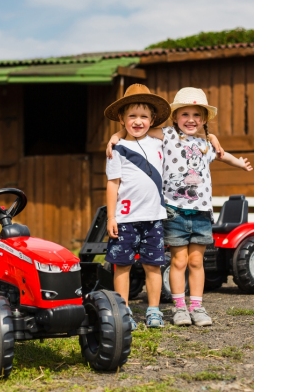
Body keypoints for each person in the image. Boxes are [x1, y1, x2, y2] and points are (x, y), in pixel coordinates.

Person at [106, 87, 253, 327]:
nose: (191, 119)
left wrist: (238, 162)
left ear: (204, 119)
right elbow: (138, 129)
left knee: (197, 262)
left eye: (197, 115)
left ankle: (197, 305)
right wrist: (116, 135)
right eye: (185, 114)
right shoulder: (167, 136)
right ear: (175, 117)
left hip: (201, 211)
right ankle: (179, 307)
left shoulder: (206, 144)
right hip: (174, 209)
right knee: (178, 261)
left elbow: (221, 154)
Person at [103, 83, 172, 330]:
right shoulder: (117, 150)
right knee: (122, 265)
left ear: (152, 119)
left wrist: (213, 137)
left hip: (153, 216)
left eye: (144, 116)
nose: (138, 121)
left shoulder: (159, 142)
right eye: (132, 116)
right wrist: (111, 217)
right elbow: (113, 184)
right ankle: (123, 312)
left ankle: (154, 310)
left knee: (154, 265)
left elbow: (187, 136)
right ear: (122, 118)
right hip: (124, 218)